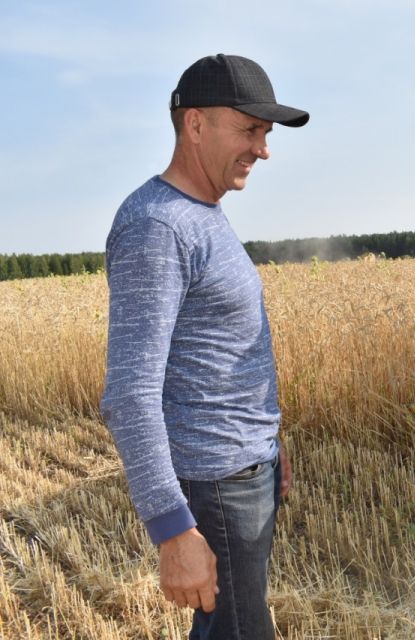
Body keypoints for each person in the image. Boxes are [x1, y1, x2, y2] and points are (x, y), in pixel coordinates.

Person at [100, 54, 309, 640]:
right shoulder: (157, 227)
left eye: (265, 134)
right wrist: (172, 529)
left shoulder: (203, 214)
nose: (263, 149)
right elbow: (130, 393)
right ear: (195, 124)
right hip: (216, 486)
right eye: (250, 129)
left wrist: (269, 440)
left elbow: (226, 351)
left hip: (246, 467)